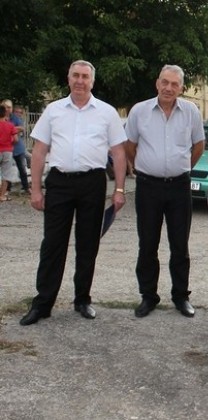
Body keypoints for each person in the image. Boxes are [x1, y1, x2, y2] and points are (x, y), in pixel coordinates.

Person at [20, 60, 127, 326]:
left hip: (92, 182)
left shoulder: (106, 112)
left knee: (88, 243)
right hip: (59, 182)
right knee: (53, 244)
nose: (80, 81)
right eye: (76, 76)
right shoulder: (53, 110)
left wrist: (120, 190)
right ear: (68, 79)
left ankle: (83, 299)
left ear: (92, 81)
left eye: (85, 77)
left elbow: (118, 153)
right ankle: (43, 303)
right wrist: (35, 189)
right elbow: (39, 150)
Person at [124, 64, 205, 318]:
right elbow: (130, 145)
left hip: (179, 187)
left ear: (181, 88)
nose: (169, 88)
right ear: (157, 83)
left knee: (179, 245)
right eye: (165, 82)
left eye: (175, 84)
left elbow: (199, 145)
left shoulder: (191, 111)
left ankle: (181, 297)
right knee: (147, 243)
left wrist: (180, 168)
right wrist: (146, 166)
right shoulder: (140, 111)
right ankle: (148, 296)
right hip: (148, 186)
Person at [2, 100, 29, 194]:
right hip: (6, 148)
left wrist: (10, 128)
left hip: (18, 148)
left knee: (22, 169)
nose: (8, 109)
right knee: (7, 170)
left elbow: (22, 128)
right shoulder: (2, 117)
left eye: (9, 107)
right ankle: (6, 189)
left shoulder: (15, 117)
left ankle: (26, 188)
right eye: (6, 107)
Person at [0, 104, 18, 201]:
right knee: (5, 174)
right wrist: (9, 142)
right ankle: (2, 196)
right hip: (7, 150)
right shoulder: (10, 125)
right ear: (4, 113)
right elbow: (16, 139)